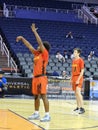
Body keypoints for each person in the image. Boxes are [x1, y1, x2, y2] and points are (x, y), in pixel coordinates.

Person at [16, 23, 51, 122]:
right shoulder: (36, 54)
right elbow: (29, 46)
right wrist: (22, 38)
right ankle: (36, 113)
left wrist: (35, 32)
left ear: (44, 48)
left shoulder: (45, 54)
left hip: (42, 77)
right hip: (35, 78)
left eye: (41, 46)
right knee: (36, 96)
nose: (38, 46)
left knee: (43, 95)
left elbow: (39, 43)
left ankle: (47, 115)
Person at [70, 48, 85, 114]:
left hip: (79, 78)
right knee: (76, 94)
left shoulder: (81, 60)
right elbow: (72, 71)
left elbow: (82, 71)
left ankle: (82, 108)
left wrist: (78, 79)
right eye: (74, 52)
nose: (74, 53)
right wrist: (71, 79)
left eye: (75, 52)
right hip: (74, 78)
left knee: (78, 93)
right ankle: (78, 107)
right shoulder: (73, 61)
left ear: (78, 53)